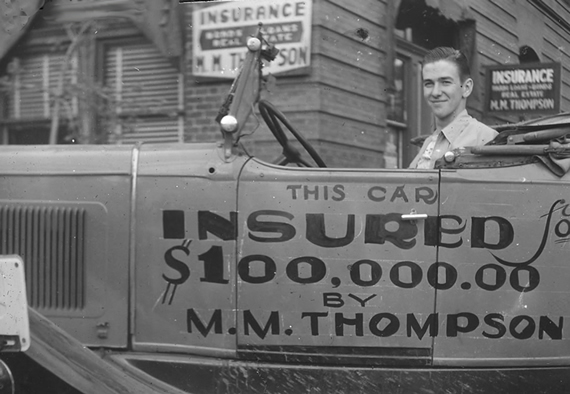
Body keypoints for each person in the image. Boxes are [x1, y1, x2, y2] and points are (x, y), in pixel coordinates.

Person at [409, 47, 498, 169]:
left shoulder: (486, 138)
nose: (435, 92)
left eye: (445, 82)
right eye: (429, 83)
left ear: (466, 88)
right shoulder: (428, 143)